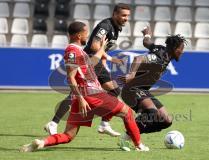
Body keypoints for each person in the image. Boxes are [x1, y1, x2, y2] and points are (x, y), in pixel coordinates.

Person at [20, 21, 149, 152]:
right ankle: (139, 146)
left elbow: (91, 63)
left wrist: (102, 48)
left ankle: (41, 143)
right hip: (91, 94)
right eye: (86, 34)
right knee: (127, 112)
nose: (88, 37)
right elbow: (70, 77)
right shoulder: (72, 51)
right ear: (79, 36)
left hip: (84, 97)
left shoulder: (78, 51)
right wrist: (81, 99)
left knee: (68, 135)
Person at [44, 3, 131, 137]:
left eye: (127, 16)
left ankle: (104, 124)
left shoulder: (116, 28)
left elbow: (103, 48)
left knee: (114, 89)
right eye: (123, 15)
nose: (126, 18)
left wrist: (104, 63)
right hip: (89, 62)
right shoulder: (105, 26)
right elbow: (95, 46)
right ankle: (53, 123)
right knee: (76, 95)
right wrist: (110, 59)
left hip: (97, 64)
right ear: (115, 14)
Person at [118, 26, 186, 151]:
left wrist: (146, 34)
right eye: (181, 49)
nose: (182, 51)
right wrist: (132, 74)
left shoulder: (160, 49)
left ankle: (131, 132)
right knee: (151, 112)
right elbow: (139, 58)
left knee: (166, 121)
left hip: (143, 90)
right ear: (175, 49)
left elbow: (147, 43)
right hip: (132, 89)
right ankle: (127, 137)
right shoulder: (160, 57)